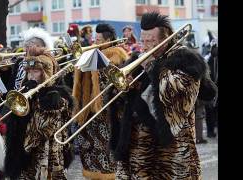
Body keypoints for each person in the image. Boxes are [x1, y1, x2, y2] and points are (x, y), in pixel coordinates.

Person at [109, 12, 206, 179]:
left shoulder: (186, 60)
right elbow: (124, 102)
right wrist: (125, 90)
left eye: (151, 41)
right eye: (143, 41)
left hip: (172, 151)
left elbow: (176, 91)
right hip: (139, 150)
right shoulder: (138, 59)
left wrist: (152, 67)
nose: (145, 46)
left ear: (165, 40)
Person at [4, 47, 74, 179]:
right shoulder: (26, 91)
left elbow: (43, 128)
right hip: (25, 154)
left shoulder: (57, 96)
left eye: (35, 71)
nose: (30, 76)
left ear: (46, 72)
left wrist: (37, 98)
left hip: (47, 155)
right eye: (28, 71)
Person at [72, 23, 128, 179]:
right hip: (87, 109)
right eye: (94, 39)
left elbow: (114, 84)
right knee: (88, 147)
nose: (95, 42)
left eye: (98, 39)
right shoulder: (90, 53)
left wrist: (99, 66)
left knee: (105, 148)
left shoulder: (117, 55)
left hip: (106, 112)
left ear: (108, 39)